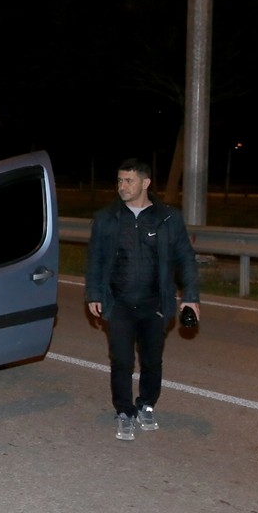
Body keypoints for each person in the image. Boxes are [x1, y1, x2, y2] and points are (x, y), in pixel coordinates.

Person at [85, 158, 200, 442]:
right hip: (119, 302)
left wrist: (191, 297)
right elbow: (95, 260)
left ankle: (146, 404)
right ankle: (124, 412)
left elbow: (185, 258)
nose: (122, 186)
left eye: (129, 181)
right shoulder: (106, 218)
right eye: (120, 181)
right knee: (121, 360)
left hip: (155, 304)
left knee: (151, 360)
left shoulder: (168, 218)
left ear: (145, 183)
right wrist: (94, 294)